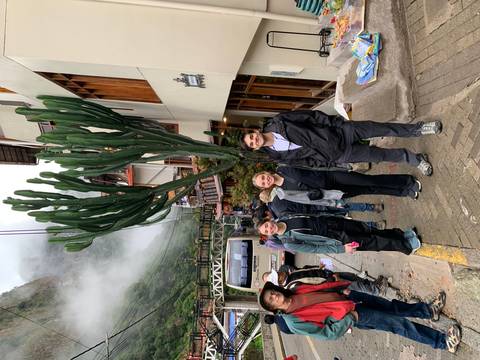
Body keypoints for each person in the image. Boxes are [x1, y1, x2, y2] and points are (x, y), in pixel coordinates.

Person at [259, 281, 461, 353]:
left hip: (349, 298)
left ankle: (428, 311)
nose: (275, 297)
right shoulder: (293, 321)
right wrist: (351, 318)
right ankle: (443, 342)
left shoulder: (296, 289)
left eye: (272, 293)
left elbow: (321, 288)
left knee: (392, 307)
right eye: (271, 300)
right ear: (273, 308)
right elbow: (326, 334)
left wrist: (341, 287)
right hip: (352, 314)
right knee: (399, 325)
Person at [242, 109, 442, 175]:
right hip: (338, 154)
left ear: (255, 131)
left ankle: (418, 129)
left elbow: (310, 116)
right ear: (256, 147)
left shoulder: (279, 122)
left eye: (251, 136)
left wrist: (335, 123)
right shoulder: (277, 156)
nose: (254, 140)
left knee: (381, 128)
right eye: (252, 143)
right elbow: (308, 162)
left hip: (340, 132)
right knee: (379, 155)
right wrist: (332, 162)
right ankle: (414, 159)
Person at [256, 216, 421, 255]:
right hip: (337, 240)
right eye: (266, 231)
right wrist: (342, 249)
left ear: (268, 220)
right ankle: (407, 247)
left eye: (266, 225)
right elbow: (315, 249)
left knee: (369, 230)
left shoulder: (286, 217)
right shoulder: (288, 242)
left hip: (335, 224)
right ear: (269, 235)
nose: (269, 228)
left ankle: (402, 235)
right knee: (373, 242)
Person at [253, 166, 422, 200]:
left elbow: (310, 164)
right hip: (330, 192)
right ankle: (403, 192)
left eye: (263, 177)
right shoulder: (284, 192)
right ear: (266, 187)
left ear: (266, 173)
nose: (266, 180)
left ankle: (407, 181)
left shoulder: (284, 168)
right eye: (263, 183)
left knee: (368, 180)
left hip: (332, 176)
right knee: (370, 190)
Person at [262, 265, 388, 296]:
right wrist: (332, 280)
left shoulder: (290, 275)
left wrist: (319, 267)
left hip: (329, 275)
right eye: (278, 274)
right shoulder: (292, 286)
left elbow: (305, 270)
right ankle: (377, 290)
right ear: (279, 281)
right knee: (355, 285)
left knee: (353, 277)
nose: (280, 271)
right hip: (331, 282)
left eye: (277, 272)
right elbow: (316, 287)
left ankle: (374, 284)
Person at [259, 188, 383, 219]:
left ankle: (373, 221)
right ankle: (371, 207)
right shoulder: (280, 192)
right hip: (315, 200)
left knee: (341, 212)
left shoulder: (278, 213)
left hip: (314, 212)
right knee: (343, 203)